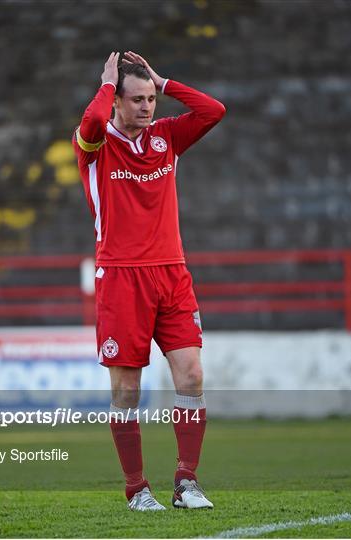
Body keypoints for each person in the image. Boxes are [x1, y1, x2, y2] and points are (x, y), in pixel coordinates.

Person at [73, 51, 226, 511]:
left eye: (151, 99)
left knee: (192, 374)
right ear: (116, 101)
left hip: (172, 272)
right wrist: (104, 84)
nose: (147, 107)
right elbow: (94, 119)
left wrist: (165, 80)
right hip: (121, 276)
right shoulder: (96, 143)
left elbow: (213, 110)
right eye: (136, 99)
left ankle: (186, 482)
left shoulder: (167, 138)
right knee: (126, 390)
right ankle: (137, 489)